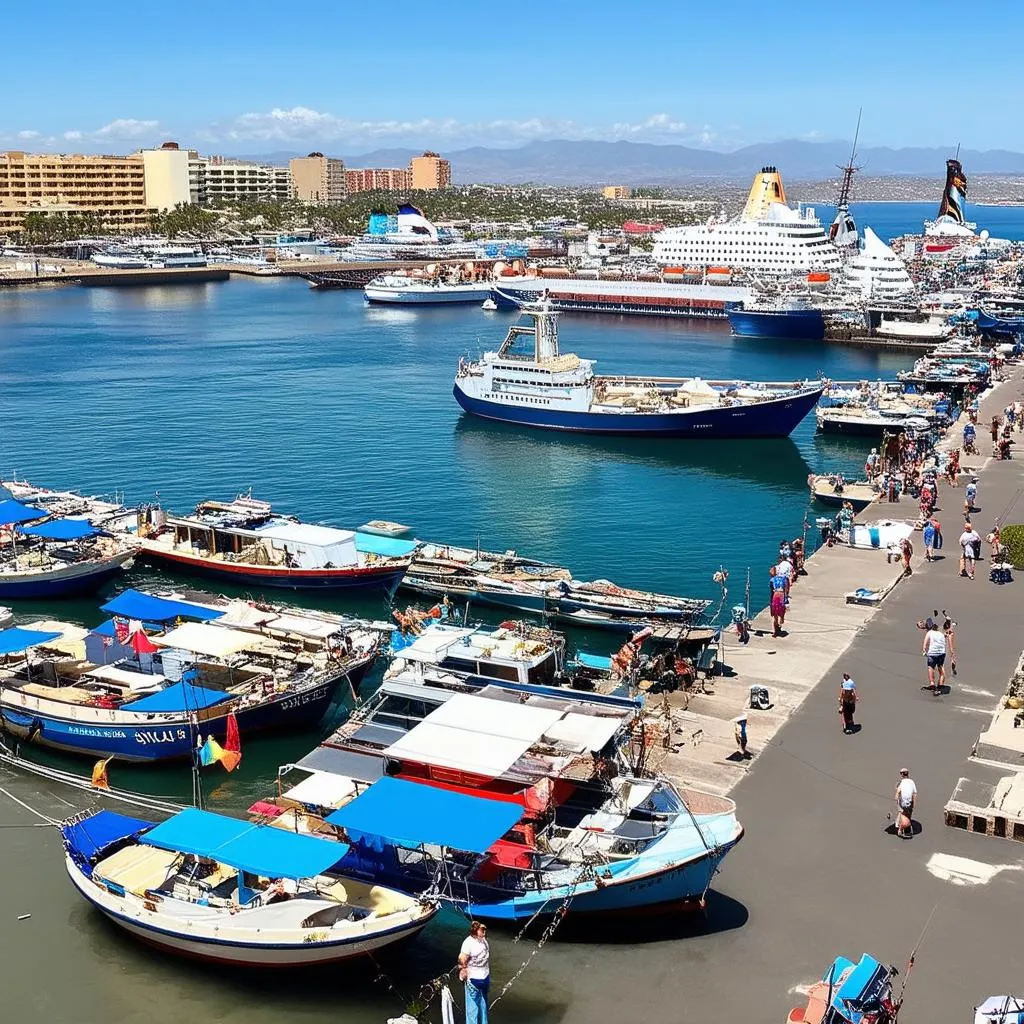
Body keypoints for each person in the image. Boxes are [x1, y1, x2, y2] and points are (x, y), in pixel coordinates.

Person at [459, 921, 490, 1024]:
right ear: (476, 931)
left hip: (479, 979)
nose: (484, 932)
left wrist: (462, 969)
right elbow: (462, 959)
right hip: (479, 979)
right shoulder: (478, 942)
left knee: (476, 1007)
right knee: (479, 1006)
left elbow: (462, 958)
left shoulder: (471, 942)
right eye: (482, 930)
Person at [922, 620, 947, 693]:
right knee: (940, 667)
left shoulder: (929, 633)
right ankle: (941, 684)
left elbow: (925, 643)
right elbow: (943, 643)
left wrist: (924, 650)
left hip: (933, 653)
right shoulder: (941, 634)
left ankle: (932, 684)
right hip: (942, 653)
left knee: (931, 667)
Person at [894, 769, 917, 839]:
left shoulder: (902, 783)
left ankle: (900, 829)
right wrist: (913, 805)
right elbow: (915, 794)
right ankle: (905, 820)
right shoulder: (912, 782)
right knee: (908, 813)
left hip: (903, 804)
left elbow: (897, 794)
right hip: (910, 804)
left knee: (902, 813)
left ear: (902, 775)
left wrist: (896, 798)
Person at [769, 565, 789, 637]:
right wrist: (786, 599)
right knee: (781, 611)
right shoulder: (784, 579)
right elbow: (786, 590)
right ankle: (781, 622)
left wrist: (771, 601)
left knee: (775, 614)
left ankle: (776, 630)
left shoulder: (772, 580)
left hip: (775, 595)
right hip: (781, 595)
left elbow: (771, 591)